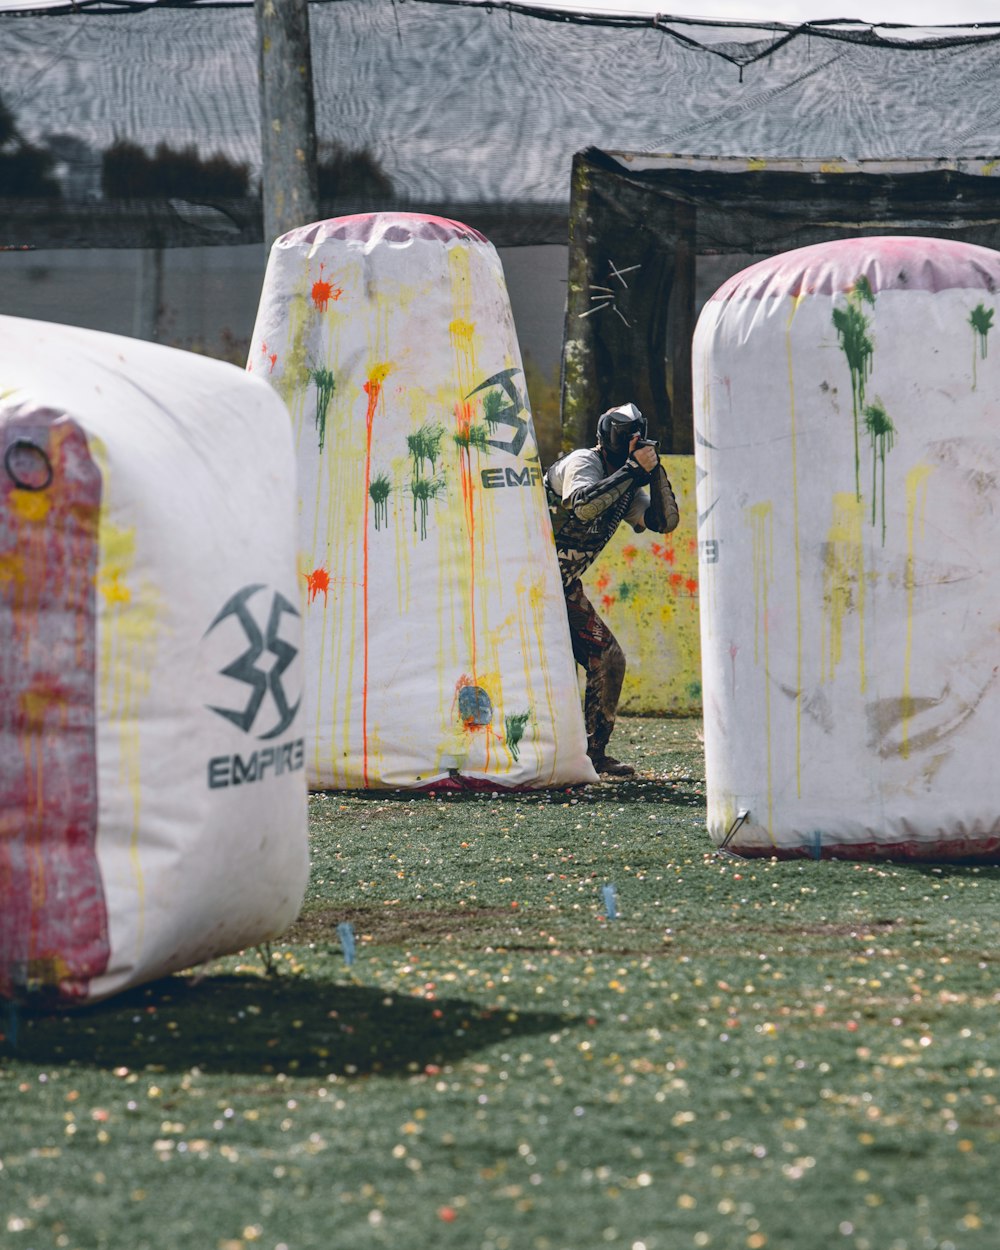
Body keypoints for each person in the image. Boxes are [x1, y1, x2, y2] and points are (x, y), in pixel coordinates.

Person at [544, 402, 680, 777]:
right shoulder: (582, 463)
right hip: (521, 584)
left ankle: (594, 755)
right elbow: (584, 506)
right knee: (543, 670)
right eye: (628, 439)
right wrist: (634, 470)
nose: (634, 445)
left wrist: (654, 474)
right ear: (610, 440)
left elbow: (665, 522)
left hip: (563, 588)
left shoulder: (627, 485)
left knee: (608, 658)